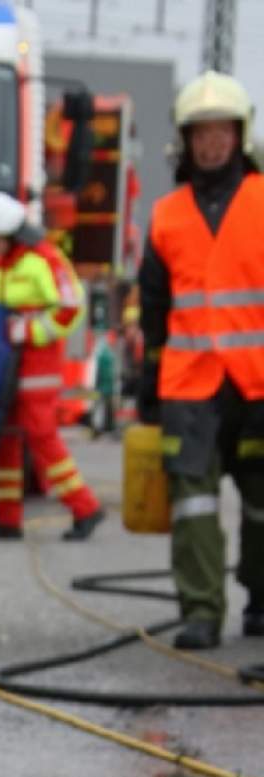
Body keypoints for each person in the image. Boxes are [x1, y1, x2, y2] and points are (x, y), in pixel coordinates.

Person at [136, 70, 264, 651]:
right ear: (185, 142)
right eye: (201, 133)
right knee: (193, 500)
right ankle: (202, 611)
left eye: (221, 132)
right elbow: (156, 309)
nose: (212, 143)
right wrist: (147, 380)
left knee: (262, 503)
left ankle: (262, 599)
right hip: (189, 384)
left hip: (258, 384)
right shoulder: (167, 216)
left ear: (240, 136)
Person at [0, 192, 105, 543]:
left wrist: (28, 331)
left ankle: (85, 508)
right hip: (5, 364)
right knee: (5, 435)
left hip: (38, 363)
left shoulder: (44, 259)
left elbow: (70, 306)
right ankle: (7, 519)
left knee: (40, 435)